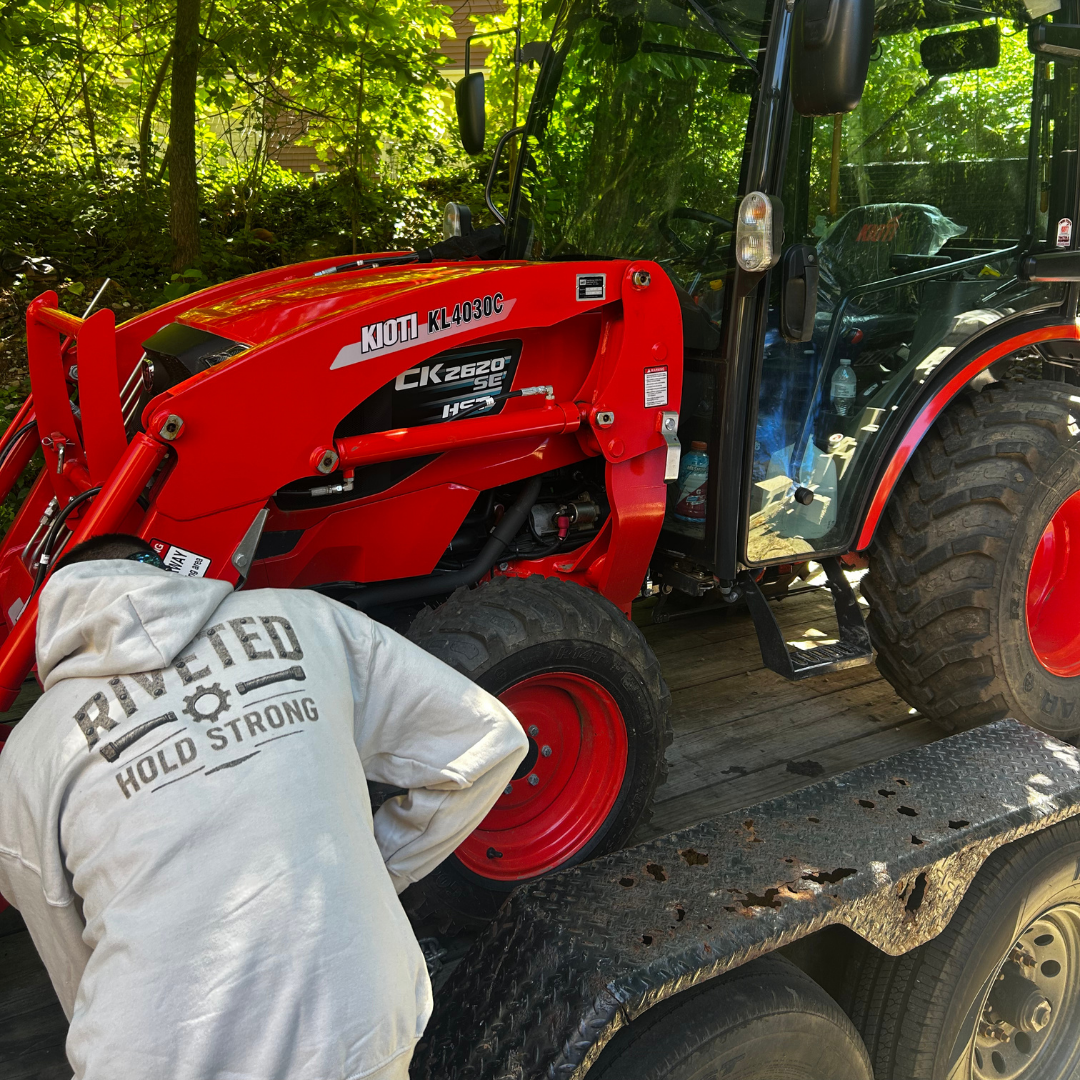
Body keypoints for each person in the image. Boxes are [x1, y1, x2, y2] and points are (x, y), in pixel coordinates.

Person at [0, 533, 528, 1080]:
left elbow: (65, 949)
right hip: (357, 1021)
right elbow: (488, 743)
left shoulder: (32, 750)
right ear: (167, 571)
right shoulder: (310, 618)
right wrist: (376, 867)